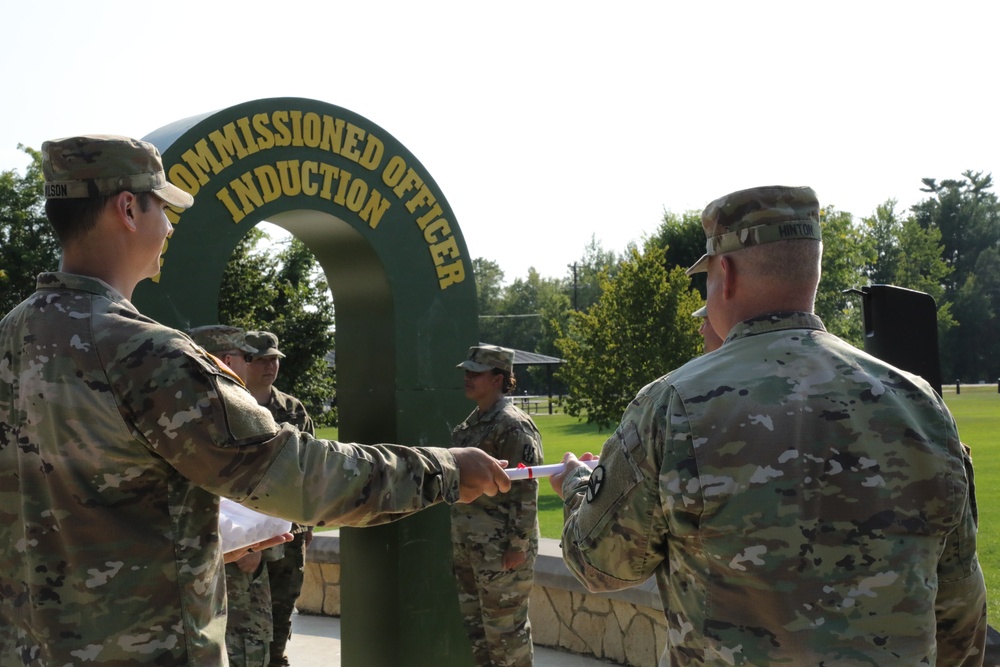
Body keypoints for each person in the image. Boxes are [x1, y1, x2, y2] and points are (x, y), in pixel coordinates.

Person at [0, 134, 510, 666]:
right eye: (164, 208)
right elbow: (295, 475)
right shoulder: (144, 353)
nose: (170, 227)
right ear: (128, 208)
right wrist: (445, 470)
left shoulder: (10, 338)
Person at [551, 185, 987, 665]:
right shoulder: (919, 404)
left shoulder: (674, 404)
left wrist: (577, 484)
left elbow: (601, 564)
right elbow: (958, 612)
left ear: (727, 272)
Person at [189, 324, 279, 667]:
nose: (252, 364)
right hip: (221, 551)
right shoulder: (228, 411)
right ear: (227, 359)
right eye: (248, 357)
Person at [450, 345, 544, 666]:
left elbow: (526, 489)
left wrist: (517, 545)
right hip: (471, 546)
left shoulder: (512, 425)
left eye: (476, 372)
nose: (468, 377)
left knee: (507, 637)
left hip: (502, 552)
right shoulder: (473, 422)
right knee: (480, 637)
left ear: (498, 379)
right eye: (467, 371)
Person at [242, 330, 315, 667]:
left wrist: (310, 522)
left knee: (282, 610)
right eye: (261, 359)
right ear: (245, 361)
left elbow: (311, 468)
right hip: (243, 531)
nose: (270, 365)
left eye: (274, 359)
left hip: (288, 530)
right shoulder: (232, 404)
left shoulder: (293, 410)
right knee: (242, 618)